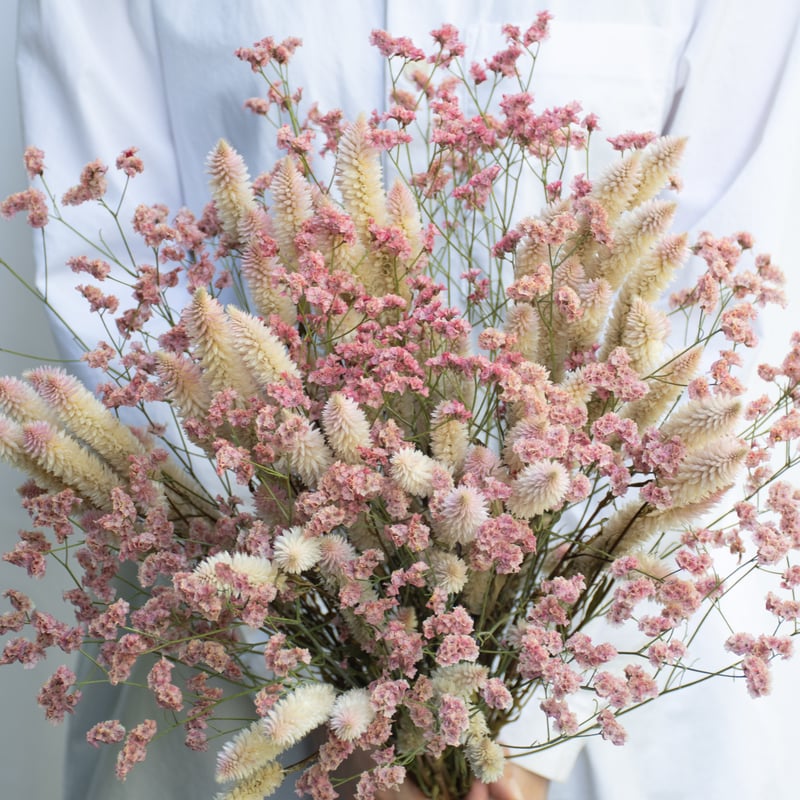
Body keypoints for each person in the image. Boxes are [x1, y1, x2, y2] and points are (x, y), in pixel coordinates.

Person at [13, 1, 800, 798]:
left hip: (623, 699)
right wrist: (331, 660)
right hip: (249, 678)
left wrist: (518, 735)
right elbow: (113, 280)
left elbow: (735, 298)